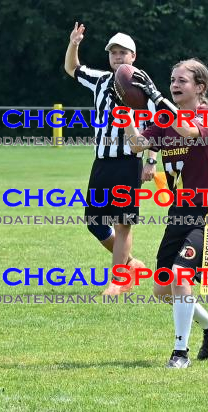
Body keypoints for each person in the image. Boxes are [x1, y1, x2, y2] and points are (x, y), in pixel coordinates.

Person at [124, 59, 208, 368]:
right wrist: (127, 109)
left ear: (200, 87)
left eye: (182, 80)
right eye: (172, 79)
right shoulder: (163, 120)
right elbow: (136, 145)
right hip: (180, 214)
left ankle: (180, 352)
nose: (175, 84)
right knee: (161, 288)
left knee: (181, 274)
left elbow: (186, 129)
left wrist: (157, 98)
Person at [64, 22, 159, 295]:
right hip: (102, 161)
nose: (117, 56)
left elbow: (159, 123)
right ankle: (130, 264)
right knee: (94, 222)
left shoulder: (143, 86)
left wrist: (151, 162)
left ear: (133, 56)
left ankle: (118, 281)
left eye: (122, 52)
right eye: (113, 52)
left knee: (123, 221)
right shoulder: (101, 80)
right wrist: (74, 43)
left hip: (129, 162)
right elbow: (72, 69)